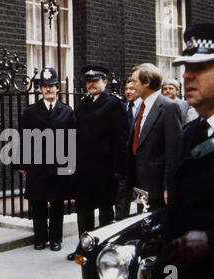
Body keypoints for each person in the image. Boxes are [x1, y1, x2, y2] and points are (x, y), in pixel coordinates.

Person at [153, 21, 214, 279]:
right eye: (186, 68)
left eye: (200, 68)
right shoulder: (187, 135)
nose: (187, 76)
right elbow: (175, 222)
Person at [67, 65, 129, 261]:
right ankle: (84, 249)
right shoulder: (83, 103)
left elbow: (121, 138)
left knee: (104, 210)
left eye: (95, 80)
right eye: (88, 81)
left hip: (104, 168)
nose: (91, 84)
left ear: (105, 82)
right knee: (83, 209)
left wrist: (119, 168)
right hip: (84, 168)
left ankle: (102, 249)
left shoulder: (113, 103)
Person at [18, 67, 76, 252]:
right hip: (37, 165)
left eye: (52, 86)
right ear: (40, 89)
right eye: (45, 87)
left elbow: (72, 141)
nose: (48, 90)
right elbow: (24, 138)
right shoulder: (30, 112)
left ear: (58, 88)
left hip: (58, 165)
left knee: (57, 203)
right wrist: (22, 163)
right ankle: (40, 238)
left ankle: (56, 239)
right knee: (38, 202)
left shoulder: (67, 112)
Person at [127, 63, 182, 212]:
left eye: (135, 81)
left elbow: (174, 151)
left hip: (158, 189)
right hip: (140, 185)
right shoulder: (140, 106)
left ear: (147, 83)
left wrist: (168, 186)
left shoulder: (168, 107)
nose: (131, 85)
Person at [114, 78, 143, 220]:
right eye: (126, 89)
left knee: (141, 199)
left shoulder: (144, 108)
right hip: (125, 162)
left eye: (132, 89)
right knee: (122, 196)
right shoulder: (121, 107)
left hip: (141, 161)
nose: (128, 92)